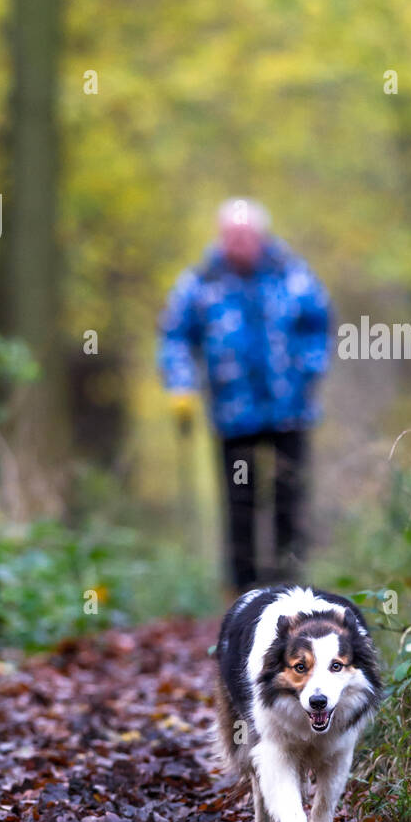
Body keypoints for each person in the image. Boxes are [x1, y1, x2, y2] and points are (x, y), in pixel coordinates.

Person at [157, 199, 331, 591]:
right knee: (241, 502)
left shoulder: (292, 275)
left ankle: (291, 585)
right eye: (231, 236)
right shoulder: (201, 282)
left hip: (291, 409)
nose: (238, 243)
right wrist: (181, 385)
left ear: (261, 236)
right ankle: (244, 592)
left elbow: (319, 323)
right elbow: (175, 336)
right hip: (234, 414)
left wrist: (309, 368)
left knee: (290, 497)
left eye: (246, 236)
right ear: (221, 238)